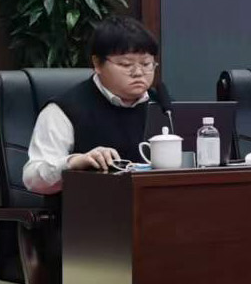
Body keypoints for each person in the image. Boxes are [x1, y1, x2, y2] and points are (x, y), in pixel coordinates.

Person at [22, 15, 170, 195]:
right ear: (97, 64)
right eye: (126, 64)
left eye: (146, 64)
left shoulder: (163, 106)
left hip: (157, 206)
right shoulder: (64, 110)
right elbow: (32, 179)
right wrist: (73, 162)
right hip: (87, 208)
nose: (138, 72)